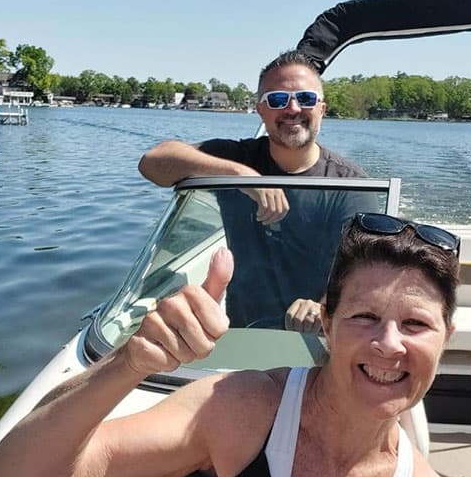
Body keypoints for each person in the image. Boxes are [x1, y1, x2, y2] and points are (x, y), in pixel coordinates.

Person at [0, 212, 461, 477]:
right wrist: (131, 362)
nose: (388, 344)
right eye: (365, 317)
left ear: (447, 340)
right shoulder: (242, 411)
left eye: (416, 324)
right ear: (328, 327)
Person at [139, 49, 375, 333]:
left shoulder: (349, 185)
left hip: (319, 341)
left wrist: (323, 306)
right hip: (243, 334)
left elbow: (365, 272)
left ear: (322, 109)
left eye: (306, 99)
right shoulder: (234, 160)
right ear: (261, 110)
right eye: (277, 99)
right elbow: (152, 163)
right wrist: (241, 175)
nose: (293, 109)